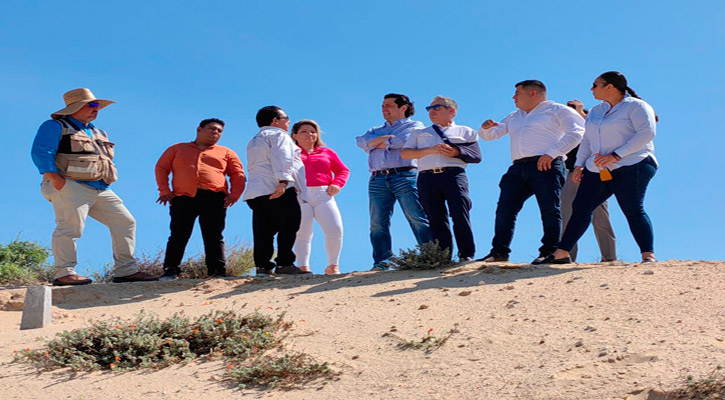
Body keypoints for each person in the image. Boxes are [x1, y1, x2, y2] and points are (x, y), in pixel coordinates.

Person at [31, 88, 159, 285]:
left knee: (125, 222)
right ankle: (64, 273)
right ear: (74, 108)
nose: (96, 109)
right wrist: (56, 179)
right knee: (70, 228)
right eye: (91, 105)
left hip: (100, 187)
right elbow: (40, 151)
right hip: (70, 184)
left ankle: (125, 271)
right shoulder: (55, 126)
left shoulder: (98, 132)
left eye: (97, 105)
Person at [545, 72, 658, 264]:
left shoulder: (637, 106)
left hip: (634, 164)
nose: (591, 89)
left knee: (632, 209)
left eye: (595, 85)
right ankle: (561, 253)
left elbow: (647, 133)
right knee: (580, 208)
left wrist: (615, 155)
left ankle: (648, 255)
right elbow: (587, 139)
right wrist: (579, 165)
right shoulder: (597, 111)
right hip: (598, 168)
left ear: (610, 87)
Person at [478, 80, 585, 264]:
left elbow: (577, 132)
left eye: (517, 93)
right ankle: (499, 253)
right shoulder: (514, 116)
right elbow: (491, 135)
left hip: (547, 165)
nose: (514, 97)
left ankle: (550, 251)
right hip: (518, 167)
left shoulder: (558, 110)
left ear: (533, 93)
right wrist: (485, 129)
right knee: (505, 209)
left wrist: (552, 154)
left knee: (549, 209)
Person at [155, 118, 246, 280]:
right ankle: (171, 269)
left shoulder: (226, 152)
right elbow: (161, 168)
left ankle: (217, 271)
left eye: (219, 131)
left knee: (214, 235)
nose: (215, 133)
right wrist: (164, 190)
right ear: (199, 129)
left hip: (214, 198)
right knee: (178, 234)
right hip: (183, 198)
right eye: (212, 129)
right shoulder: (177, 148)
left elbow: (238, 174)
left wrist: (235, 195)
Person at [356, 93, 432, 270]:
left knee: (417, 217)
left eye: (389, 105)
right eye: (383, 106)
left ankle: (430, 256)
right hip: (377, 178)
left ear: (403, 108)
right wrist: (384, 140)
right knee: (377, 222)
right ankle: (382, 262)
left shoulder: (415, 126)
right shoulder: (376, 128)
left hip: (404, 175)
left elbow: (403, 141)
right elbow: (361, 141)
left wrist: (375, 143)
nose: (384, 109)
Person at [401, 96, 479, 261]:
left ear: (451, 111)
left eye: (436, 107)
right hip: (427, 177)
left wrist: (456, 152)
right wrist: (430, 150)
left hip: (454, 175)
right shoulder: (419, 132)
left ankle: (466, 255)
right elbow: (406, 153)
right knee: (435, 218)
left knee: (460, 214)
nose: (431, 111)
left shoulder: (466, 131)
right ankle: (443, 258)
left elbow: (476, 156)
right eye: (429, 108)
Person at [244, 106, 310, 275]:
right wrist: (283, 181)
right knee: (290, 223)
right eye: (286, 118)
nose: (289, 121)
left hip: (256, 191)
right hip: (276, 186)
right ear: (275, 121)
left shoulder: (254, 139)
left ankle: (263, 266)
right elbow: (282, 157)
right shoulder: (279, 135)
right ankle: (284, 263)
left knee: (263, 230)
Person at [290, 120, 350, 275]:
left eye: (312, 131)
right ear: (294, 135)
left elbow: (343, 170)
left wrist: (337, 184)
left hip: (324, 194)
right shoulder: (290, 152)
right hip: (299, 195)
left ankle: (333, 266)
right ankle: (303, 267)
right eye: (304, 131)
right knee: (303, 233)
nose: (310, 134)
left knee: (335, 229)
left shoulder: (326, 152)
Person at [560, 100, 617, 262]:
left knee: (601, 218)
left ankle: (610, 258)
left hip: (596, 173)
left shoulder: (593, 122)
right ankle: (566, 257)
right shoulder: (566, 127)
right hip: (571, 174)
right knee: (567, 216)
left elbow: (594, 131)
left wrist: (580, 112)